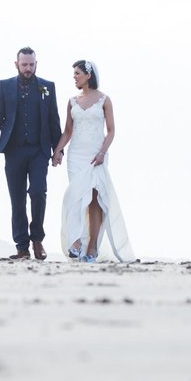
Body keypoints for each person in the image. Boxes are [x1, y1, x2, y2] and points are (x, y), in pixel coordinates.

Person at [51, 60, 134, 262]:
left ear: (88, 75)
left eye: (77, 73)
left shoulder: (104, 100)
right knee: (76, 196)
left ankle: (92, 248)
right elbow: (68, 130)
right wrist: (58, 150)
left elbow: (112, 130)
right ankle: (76, 241)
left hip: (96, 154)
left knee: (95, 201)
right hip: (76, 155)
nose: (74, 77)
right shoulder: (72, 101)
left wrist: (102, 153)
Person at [0, 47, 63, 260]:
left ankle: (37, 239)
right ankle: (22, 247)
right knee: (17, 199)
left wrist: (58, 150)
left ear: (36, 63)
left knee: (38, 192)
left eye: (31, 64)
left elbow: (53, 120)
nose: (28, 68)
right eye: (24, 65)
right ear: (16, 64)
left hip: (39, 150)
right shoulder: (5, 86)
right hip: (13, 150)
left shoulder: (47, 87)